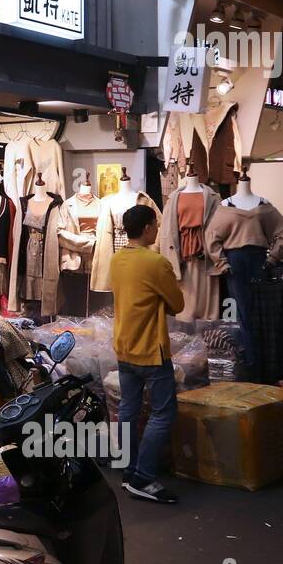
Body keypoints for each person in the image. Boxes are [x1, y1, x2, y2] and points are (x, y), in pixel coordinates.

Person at [110, 204, 184, 504]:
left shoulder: (117, 260)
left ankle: (130, 471)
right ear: (148, 228)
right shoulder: (156, 262)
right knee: (163, 413)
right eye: (155, 224)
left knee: (128, 410)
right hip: (151, 349)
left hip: (124, 346)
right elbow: (177, 304)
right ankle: (144, 477)